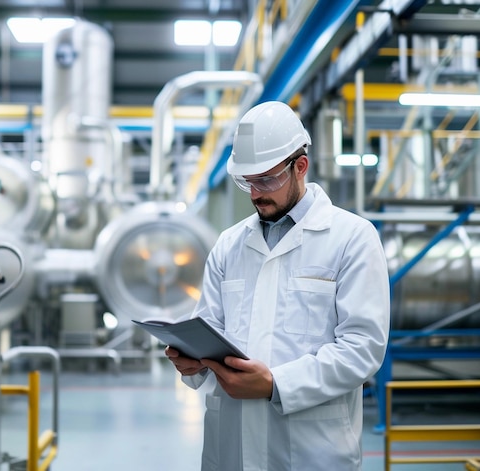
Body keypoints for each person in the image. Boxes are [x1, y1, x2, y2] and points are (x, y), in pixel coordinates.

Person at [165, 101, 390, 471]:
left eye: (266, 180)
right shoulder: (229, 244)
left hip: (312, 450)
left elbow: (362, 349)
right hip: (231, 448)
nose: (255, 194)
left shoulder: (352, 238)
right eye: (246, 182)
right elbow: (210, 327)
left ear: (300, 166)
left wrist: (275, 384)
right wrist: (193, 361)